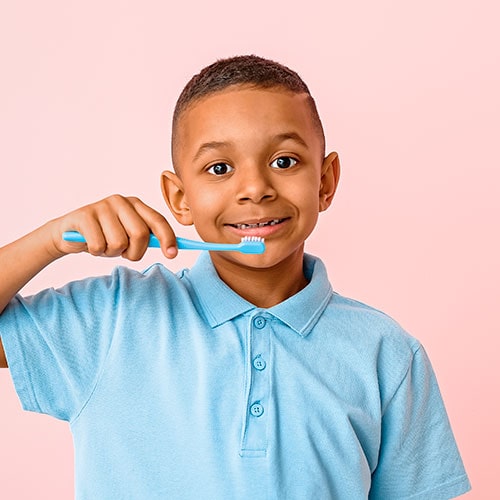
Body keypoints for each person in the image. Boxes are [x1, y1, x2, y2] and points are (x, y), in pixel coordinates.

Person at [0, 55, 470, 499]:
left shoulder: (387, 353)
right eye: (220, 168)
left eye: (284, 161)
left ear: (325, 182)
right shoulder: (109, 320)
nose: (255, 189)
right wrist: (50, 241)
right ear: (179, 197)